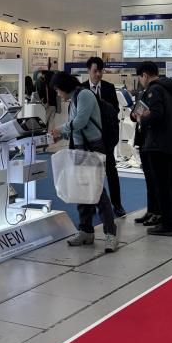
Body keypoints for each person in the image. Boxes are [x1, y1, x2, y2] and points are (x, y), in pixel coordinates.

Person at [48, 72, 118, 252]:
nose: (58, 94)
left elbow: (80, 122)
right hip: (80, 148)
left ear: (64, 87)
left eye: (57, 90)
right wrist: (60, 135)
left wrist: (59, 129)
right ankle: (86, 230)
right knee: (81, 191)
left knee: (97, 191)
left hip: (93, 147)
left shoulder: (84, 95)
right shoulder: (74, 99)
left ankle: (111, 233)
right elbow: (75, 127)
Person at [133, 61, 172, 237]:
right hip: (171, 143)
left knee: (162, 185)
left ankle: (167, 224)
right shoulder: (170, 88)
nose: (141, 81)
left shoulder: (154, 90)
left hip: (158, 144)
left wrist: (142, 118)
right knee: (170, 184)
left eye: (140, 77)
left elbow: (156, 115)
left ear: (145, 75)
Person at [83, 56, 124, 217]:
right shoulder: (82, 88)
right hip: (89, 140)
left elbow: (116, 110)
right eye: (95, 71)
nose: (98, 74)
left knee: (111, 172)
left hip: (106, 139)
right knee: (90, 173)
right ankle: (91, 205)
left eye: (101, 71)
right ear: (89, 71)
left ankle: (117, 205)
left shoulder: (109, 87)